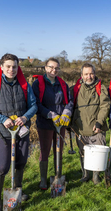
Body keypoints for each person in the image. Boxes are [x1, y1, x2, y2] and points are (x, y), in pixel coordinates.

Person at [0, 53, 37, 211]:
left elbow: (33, 106)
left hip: (22, 133)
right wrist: (2, 119)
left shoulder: (24, 85)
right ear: (1, 68)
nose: (11, 69)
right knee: (2, 166)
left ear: (17, 67)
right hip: (3, 134)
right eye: (8, 66)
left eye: (14, 66)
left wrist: (25, 117)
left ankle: (17, 191)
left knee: (20, 162)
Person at [32, 57, 73, 190]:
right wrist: (50, 114)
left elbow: (69, 101)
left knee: (59, 150)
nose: (53, 70)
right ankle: (43, 179)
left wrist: (66, 112)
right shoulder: (38, 84)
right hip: (45, 123)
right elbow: (36, 103)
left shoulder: (62, 84)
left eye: (56, 68)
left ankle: (58, 176)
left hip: (60, 124)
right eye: (50, 67)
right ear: (45, 68)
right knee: (45, 151)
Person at [71, 63, 110, 184]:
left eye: (91, 73)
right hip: (80, 128)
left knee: (97, 153)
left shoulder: (101, 88)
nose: (89, 76)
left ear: (95, 74)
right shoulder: (74, 89)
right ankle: (85, 174)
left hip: (96, 128)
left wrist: (99, 123)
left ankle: (96, 176)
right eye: (86, 74)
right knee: (83, 153)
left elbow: (105, 106)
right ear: (81, 75)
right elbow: (70, 106)